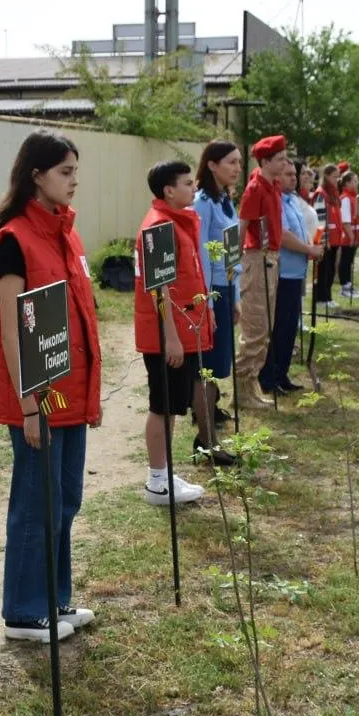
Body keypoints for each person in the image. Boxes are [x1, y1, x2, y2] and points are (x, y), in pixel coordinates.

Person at [0, 130, 102, 643]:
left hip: (70, 391)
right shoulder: (13, 240)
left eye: (76, 171)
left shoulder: (64, 234)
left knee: (65, 500)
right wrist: (30, 406)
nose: (75, 181)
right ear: (36, 175)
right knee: (36, 502)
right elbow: (11, 331)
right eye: (65, 172)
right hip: (39, 399)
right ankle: (24, 613)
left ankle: (55, 600)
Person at [134, 161, 216, 503]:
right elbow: (159, 289)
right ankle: (157, 480)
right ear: (169, 190)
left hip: (182, 330)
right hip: (168, 336)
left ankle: (165, 473)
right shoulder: (159, 227)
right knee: (162, 405)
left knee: (171, 406)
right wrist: (171, 336)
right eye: (187, 183)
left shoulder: (178, 222)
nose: (193, 189)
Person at [193, 139, 243, 441]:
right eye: (231, 162)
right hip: (211, 292)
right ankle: (205, 437)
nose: (238, 168)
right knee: (208, 369)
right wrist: (209, 303)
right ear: (212, 165)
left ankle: (210, 431)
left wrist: (235, 296)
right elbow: (200, 254)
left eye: (239, 162)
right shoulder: (203, 202)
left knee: (218, 367)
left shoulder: (224, 200)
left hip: (226, 290)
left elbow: (232, 251)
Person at [235, 135, 288, 409]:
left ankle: (251, 383)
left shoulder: (274, 185)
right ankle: (242, 387)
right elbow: (242, 227)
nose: (285, 162)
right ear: (266, 161)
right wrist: (233, 264)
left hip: (272, 257)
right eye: (280, 159)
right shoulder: (255, 188)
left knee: (265, 327)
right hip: (256, 259)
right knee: (255, 325)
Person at [261, 161, 322, 395]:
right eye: (288, 175)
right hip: (282, 273)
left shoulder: (293, 201)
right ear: (277, 177)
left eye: (294, 174)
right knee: (278, 328)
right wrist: (309, 250)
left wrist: (314, 247)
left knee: (289, 329)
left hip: (297, 273)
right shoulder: (276, 201)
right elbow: (283, 235)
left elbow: (303, 232)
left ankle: (282, 374)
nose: (293, 178)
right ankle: (269, 378)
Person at [314, 164, 345, 310]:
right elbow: (319, 219)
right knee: (324, 270)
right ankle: (321, 297)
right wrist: (322, 240)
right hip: (326, 240)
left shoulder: (334, 193)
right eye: (334, 176)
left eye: (338, 176)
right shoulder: (321, 193)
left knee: (331, 269)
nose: (337, 179)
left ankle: (328, 296)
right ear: (326, 176)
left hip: (335, 239)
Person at [338, 171, 359, 300]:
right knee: (346, 261)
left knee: (349, 261)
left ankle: (349, 285)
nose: (357, 183)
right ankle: (345, 287)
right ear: (347, 183)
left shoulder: (353, 197)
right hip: (349, 236)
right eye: (354, 181)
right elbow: (345, 220)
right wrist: (352, 236)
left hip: (353, 235)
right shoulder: (346, 199)